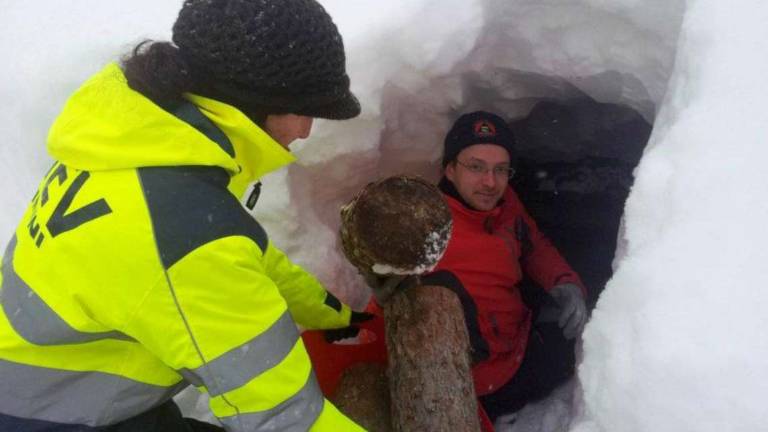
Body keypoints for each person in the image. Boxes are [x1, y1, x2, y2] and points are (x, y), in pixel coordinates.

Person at [0, 1, 368, 431]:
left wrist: (327, 311)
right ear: (253, 102)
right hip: (56, 417)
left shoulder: (137, 145)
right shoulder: (187, 236)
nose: (305, 131)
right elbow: (287, 419)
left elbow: (240, 254)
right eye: (302, 111)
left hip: (58, 382)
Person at [369, 111, 588, 425]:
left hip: (519, 331)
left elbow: (533, 243)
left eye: (500, 170)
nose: (490, 182)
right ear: (450, 170)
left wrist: (564, 281)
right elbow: (384, 302)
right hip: (492, 381)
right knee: (587, 348)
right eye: (476, 167)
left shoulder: (504, 200)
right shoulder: (426, 232)